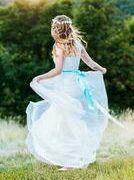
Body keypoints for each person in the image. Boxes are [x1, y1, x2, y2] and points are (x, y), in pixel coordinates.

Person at [25, 15, 124, 171]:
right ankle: (78, 156)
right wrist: (102, 69)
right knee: (72, 119)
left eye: (52, 27)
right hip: (77, 84)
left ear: (57, 30)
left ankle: (70, 160)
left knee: (65, 121)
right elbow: (91, 63)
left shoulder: (59, 46)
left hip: (65, 85)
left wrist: (39, 77)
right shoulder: (77, 44)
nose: (51, 30)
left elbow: (57, 71)